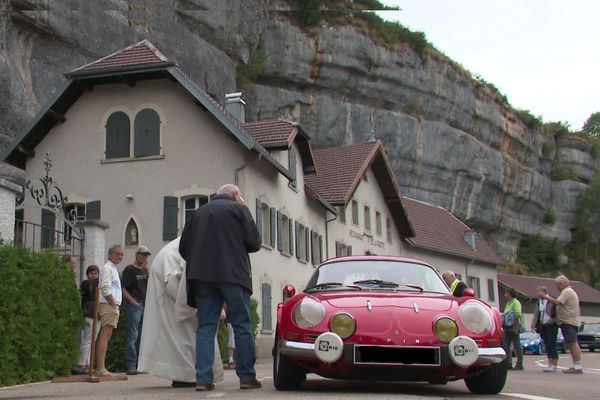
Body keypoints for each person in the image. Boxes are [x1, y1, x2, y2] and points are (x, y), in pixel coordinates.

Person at [179, 183, 262, 391]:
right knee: (242, 324)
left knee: (206, 327)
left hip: (202, 277)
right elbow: (254, 242)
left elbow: (183, 248)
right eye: (239, 195)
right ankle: (246, 377)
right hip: (233, 274)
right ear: (235, 194)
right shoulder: (239, 209)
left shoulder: (197, 213)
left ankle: (203, 379)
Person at [138, 238, 223, 387]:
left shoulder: (194, 243)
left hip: (174, 285)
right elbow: (177, 279)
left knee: (181, 335)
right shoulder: (198, 245)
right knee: (188, 334)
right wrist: (199, 304)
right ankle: (189, 375)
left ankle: (187, 374)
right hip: (174, 286)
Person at [541, 275, 583, 374]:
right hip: (566, 321)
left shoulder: (567, 291)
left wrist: (545, 296)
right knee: (571, 342)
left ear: (561, 284)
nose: (557, 287)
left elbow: (557, 302)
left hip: (569, 321)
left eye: (557, 285)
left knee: (572, 342)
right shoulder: (568, 292)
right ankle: (576, 365)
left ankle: (577, 365)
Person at [95, 244, 124, 376]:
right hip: (108, 304)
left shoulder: (113, 269)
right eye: (117, 254)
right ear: (110, 254)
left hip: (111, 304)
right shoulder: (107, 268)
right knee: (105, 336)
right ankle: (101, 368)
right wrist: (113, 304)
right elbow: (105, 287)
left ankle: (101, 367)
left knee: (106, 336)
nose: (120, 256)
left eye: (121, 254)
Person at [122, 245, 151, 375]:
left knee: (142, 335)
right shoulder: (130, 269)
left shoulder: (143, 270)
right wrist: (132, 301)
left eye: (146, 255)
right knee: (133, 335)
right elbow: (124, 288)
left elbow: (151, 286)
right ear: (137, 254)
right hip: (135, 304)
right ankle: (131, 364)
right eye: (143, 254)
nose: (145, 257)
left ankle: (140, 364)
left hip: (144, 303)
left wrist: (147, 271)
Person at [73, 265, 101, 374]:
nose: (93, 276)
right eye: (91, 273)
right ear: (87, 274)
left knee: (92, 340)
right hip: (89, 314)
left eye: (95, 274)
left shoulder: (97, 283)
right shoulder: (86, 283)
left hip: (97, 314)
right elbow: (89, 297)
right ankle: (81, 363)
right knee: (87, 339)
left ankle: (88, 364)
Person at [532, 285, 559, 372]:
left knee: (552, 344)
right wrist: (533, 325)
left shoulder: (551, 300)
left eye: (540, 292)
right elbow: (536, 314)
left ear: (544, 292)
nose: (538, 294)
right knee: (547, 345)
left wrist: (552, 320)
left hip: (551, 324)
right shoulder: (538, 302)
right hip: (542, 325)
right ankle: (550, 364)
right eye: (538, 292)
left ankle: (555, 365)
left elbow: (556, 311)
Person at [502, 287, 524, 370]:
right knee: (506, 345)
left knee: (516, 345)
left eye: (507, 294)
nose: (505, 295)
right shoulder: (508, 303)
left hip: (513, 326)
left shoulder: (515, 302)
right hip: (507, 326)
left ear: (511, 294)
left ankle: (519, 363)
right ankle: (508, 363)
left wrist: (509, 317)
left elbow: (518, 313)